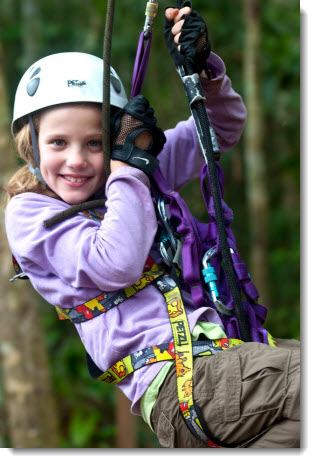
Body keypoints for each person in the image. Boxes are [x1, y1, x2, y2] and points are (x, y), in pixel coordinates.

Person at [5, 3, 300, 449]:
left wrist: (204, 72)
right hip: (180, 383)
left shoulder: (133, 178)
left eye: (95, 143)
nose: (77, 160)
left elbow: (220, 127)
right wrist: (127, 164)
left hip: (226, 358)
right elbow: (116, 263)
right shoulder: (30, 214)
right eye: (58, 143)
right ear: (31, 148)